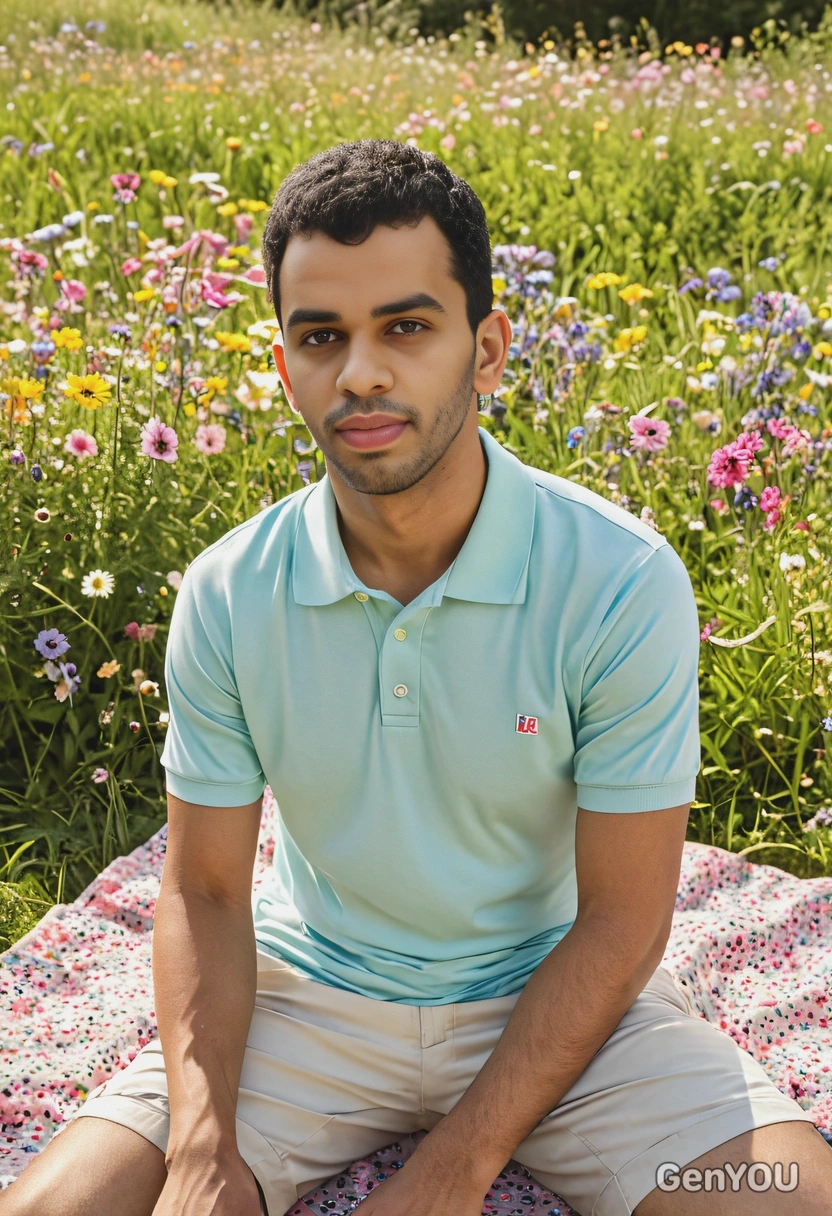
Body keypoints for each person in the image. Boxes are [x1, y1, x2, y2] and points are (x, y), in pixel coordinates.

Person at [4, 139, 830, 1216]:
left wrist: (453, 1170)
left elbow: (624, 918)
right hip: (308, 999)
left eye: (405, 326)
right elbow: (205, 889)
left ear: (486, 349)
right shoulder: (228, 591)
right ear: (284, 360)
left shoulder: (619, 579)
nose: (360, 374)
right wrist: (204, 1148)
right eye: (320, 336)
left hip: (565, 1006)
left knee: (786, 1197)